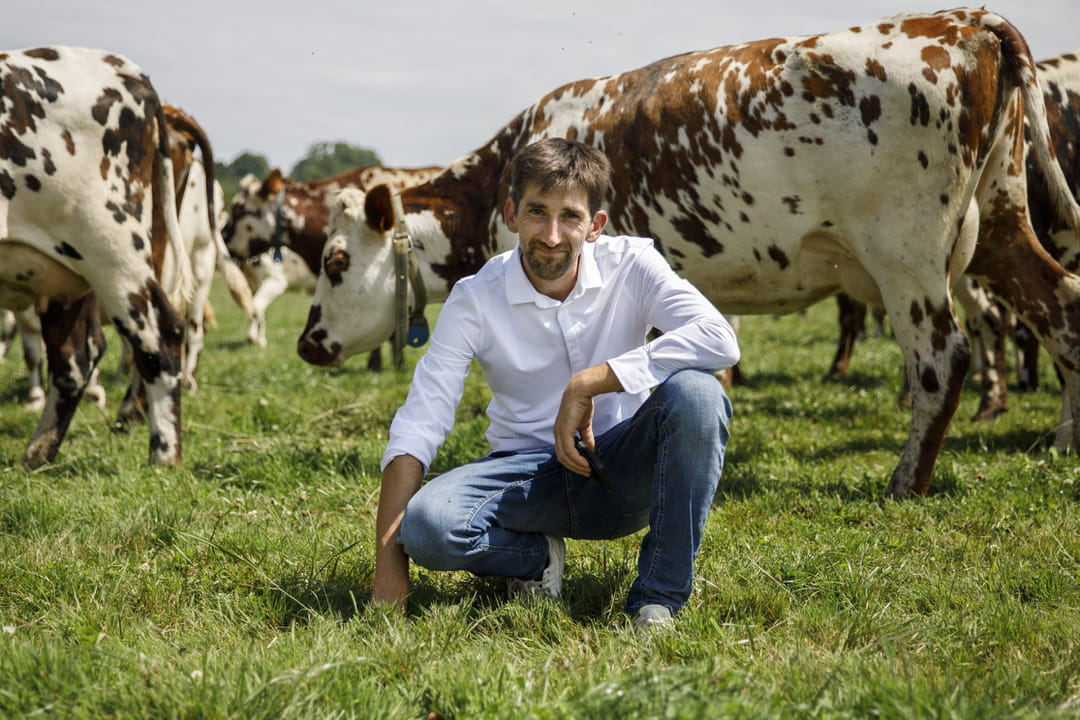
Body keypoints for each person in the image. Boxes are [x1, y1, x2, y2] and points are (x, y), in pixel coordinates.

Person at [373, 137, 739, 629]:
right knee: (427, 526)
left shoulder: (632, 264)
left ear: (595, 226)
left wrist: (591, 381)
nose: (551, 234)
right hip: (524, 483)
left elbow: (720, 338)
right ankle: (534, 559)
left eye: (570, 216)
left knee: (699, 393)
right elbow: (421, 421)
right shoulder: (474, 298)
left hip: (624, 472)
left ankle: (659, 600)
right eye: (536, 212)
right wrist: (388, 570)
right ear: (510, 214)